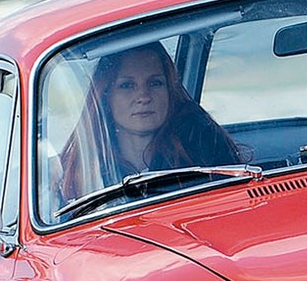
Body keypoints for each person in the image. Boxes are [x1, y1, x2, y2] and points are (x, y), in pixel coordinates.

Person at [55, 42, 242, 206]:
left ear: (170, 90)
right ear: (106, 97)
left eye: (155, 83)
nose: (143, 97)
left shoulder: (203, 146)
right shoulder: (85, 167)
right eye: (127, 85)